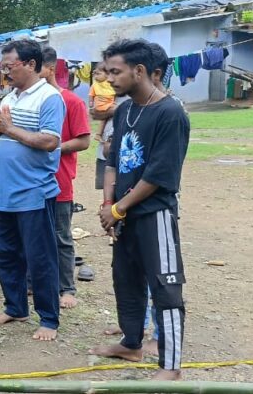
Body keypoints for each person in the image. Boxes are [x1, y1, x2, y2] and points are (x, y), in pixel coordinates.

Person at [89, 39, 190, 381]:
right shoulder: (124, 111)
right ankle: (131, 344)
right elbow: (113, 162)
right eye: (107, 72)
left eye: (116, 72)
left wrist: (118, 208)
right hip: (123, 214)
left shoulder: (170, 113)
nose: (109, 79)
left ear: (140, 71)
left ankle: (171, 367)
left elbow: (159, 175)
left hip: (153, 214)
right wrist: (108, 204)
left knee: (165, 286)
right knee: (126, 280)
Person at [0, 39, 65, 341]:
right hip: (3, 193)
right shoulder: (10, 98)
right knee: (5, 254)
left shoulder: (49, 97)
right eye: (2, 66)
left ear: (31, 64)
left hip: (34, 192)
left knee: (40, 258)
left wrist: (8, 128)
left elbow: (50, 141)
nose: (5, 72)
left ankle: (49, 319)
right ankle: (15, 307)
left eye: (9, 66)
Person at [40, 48, 91, 309]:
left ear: (50, 69)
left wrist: (52, 146)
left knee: (61, 237)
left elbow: (84, 140)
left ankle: (67, 288)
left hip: (59, 181)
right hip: (30, 182)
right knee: (33, 235)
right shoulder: (27, 101)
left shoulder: (71, 101)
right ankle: (33, 282)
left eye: (35, 67)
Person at [89, 63, 115, 141]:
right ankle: (98, 134)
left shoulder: (109, 82)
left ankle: (98, 134)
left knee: (104, 119)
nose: (96, 77)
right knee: (106, 117)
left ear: (107, 74)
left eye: (98, 74)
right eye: (95, 74)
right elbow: (91, 94)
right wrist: (91, 103)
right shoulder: (95, 84)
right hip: (101, 105)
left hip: (109, 104)